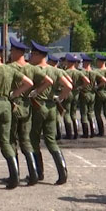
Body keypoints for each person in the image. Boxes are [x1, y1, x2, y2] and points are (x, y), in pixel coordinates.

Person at [0, 37, 35, 188]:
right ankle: (15, 177)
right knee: (6, 141)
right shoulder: (10, 69)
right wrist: (14, 94)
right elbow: (29, 83)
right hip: (7, 105)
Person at [7, 37, 51, 185]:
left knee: (12, 141)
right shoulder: (31, 68)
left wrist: (15, 93)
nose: (10, 52)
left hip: (14, 105)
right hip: (27, 105)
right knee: (26, 141)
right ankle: (34, 174)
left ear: (16, 52)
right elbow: (48, 81)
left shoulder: (10, 67)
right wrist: (36, 92)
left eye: (12, 50)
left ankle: (15, 175)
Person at [29, 41, 72, 185]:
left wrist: (36, 92)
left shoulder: (33, 70)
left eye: (32, 54)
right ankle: (62, 172)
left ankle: (38, 172)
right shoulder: (56, 70)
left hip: (37, 107)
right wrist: (59, 98)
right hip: (51, 107)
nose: (30, 56)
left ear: (37, 55)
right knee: (51, 140)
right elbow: (69, 86)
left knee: (34, 140)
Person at [62, 54, 90, 140]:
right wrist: (80, 87)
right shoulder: (79, 72)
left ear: (68, 62)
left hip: (67, 93)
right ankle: (76, 133)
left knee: (66, 113)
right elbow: (87, 81)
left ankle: (69, 133)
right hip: (76, 94)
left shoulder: (65, 72)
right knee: (73, 113)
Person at [78, 53, 102, 138]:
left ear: (84, 62)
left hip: (84, 94)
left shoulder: (81, 72)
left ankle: (85, 133)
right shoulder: (94, 72)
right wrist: (96, 86)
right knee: (90, 113)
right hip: (92, 94)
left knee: (84, 114)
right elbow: (104, 80)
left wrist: (81, 87)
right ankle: (92, 132)